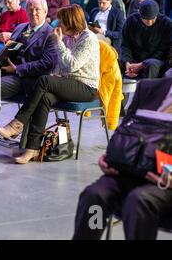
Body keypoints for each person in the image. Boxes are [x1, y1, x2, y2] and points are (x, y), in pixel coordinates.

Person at [0, 4, 100, 164]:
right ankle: (32, 149)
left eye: (62, 22)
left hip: (86, 87)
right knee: (45, 97)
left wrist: (58, 43)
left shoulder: (89, 39)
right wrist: (54, 71)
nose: (59, 25)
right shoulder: (68, 37)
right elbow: (60, 65)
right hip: (68, 83)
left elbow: (72, 65)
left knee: (43, 80)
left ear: (71, 22)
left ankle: (17, 124)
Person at [73, 77, 172, 240]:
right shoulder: (148, 88)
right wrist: (111, 156)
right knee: (95, 196)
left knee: (139, 201)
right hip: (131, 171)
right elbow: (126, 129)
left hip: (165, 184)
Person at [0, 0, 58, 154]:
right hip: (10, 73)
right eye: (30, 9)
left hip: (30, 80)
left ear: (45, 12)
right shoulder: (21, 27)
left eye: (37, 10)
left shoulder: (50, 34)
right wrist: (0, 58)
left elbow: (47, 64)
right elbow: (10, 50)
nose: (33, 12)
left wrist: (18, 68)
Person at [121, 0, 172, 79]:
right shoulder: (130, 21)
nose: (150, 22)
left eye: (153, 19)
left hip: (155, 60)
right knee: (113, 61)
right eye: (147, 19)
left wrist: (142, 64)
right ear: (140, 15)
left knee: (151, 65)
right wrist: (127, 63)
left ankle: (148, 90)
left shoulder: (166, 24)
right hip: (133, 60)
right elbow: (125, 45)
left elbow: (163, 51)